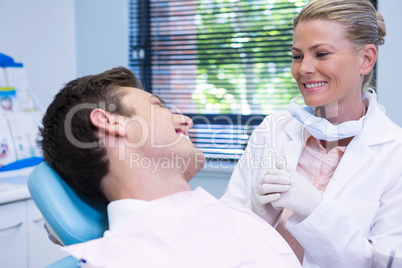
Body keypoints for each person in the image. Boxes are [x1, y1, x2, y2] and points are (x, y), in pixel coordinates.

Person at [38, 67, 300, 267]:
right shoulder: (126, 258)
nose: (185, 121)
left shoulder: (233, 220)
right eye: (157, 106)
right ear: (111, 122)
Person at [221, 0, 402, 267]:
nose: (303, 68)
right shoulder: (272, 130)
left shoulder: (395, 152)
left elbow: (383, 262)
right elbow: (223, 235)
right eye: (297, 55)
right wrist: (256, 214)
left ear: (365, 59)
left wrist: (318, 211)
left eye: (321, 54)